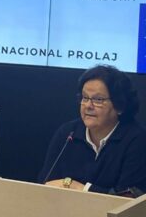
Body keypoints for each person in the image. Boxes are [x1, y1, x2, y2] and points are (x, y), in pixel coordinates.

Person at [39, 65, 146, 195]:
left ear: (120, 106)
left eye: (98, 99)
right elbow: (45, 184)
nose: (88, 106)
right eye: (85, 98)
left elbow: (129, 196)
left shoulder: (137, 140)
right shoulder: (68, 133)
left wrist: (82, 189)